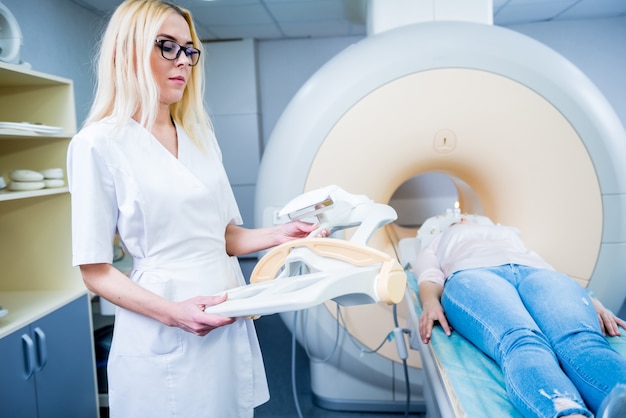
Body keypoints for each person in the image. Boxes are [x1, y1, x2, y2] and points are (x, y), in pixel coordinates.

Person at [66, 1, 327, 417]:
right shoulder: (99, 143)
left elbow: (223, 237)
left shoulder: (200, 137)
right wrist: (174, 314)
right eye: (167, 46)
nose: (183, 61)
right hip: (164, 320)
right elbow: (94, 270)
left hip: (225, 311)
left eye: (189, 50)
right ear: (126, 52)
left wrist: (281, 235)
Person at [413, 216, 626, 418]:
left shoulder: (506, 233)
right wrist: (430, 301)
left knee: (582, 339)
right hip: (473, 274)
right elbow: (428, 276)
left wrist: (590, 301)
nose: (462, 218)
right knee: (522, 341)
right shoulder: (438, 240)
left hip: (539, 274)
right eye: (454, 220)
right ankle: (569, 413)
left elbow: (548, 268)